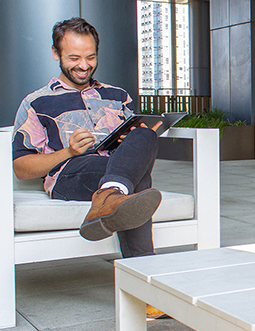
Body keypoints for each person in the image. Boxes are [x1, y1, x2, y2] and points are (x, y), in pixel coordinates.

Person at [12, 18, 161, 259]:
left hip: (115, 168)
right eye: (74, 58)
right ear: (55, 53)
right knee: (137, 178)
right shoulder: (36, 103)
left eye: (90, 57)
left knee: (145, 133)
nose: (84, 65)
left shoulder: (118, 96)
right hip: (70, 175)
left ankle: (108, 194)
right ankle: (143, 265)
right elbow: (21, 168)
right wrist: (69, 152)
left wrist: (130, 140)